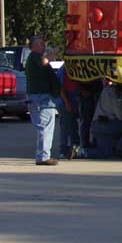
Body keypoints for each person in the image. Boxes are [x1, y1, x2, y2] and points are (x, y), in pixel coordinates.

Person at [24, 35, 61, 165]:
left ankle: (43, 156)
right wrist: (54, 52)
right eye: (40, 44)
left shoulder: (34, 58)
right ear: (33, 46)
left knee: (44, 126)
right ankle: (43, 157)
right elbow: (44, 62)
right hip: (41, 97)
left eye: (43, 43)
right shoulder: (34, 57)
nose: (43, 46)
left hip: (38, 96)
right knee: (46, 126)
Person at [91, 81, 122, 158]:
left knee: (106, 154)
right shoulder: (113, 94)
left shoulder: (105, 90)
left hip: (97, 125)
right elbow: (121, 116)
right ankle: (120, 152)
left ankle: (81, 151)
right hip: (105, 126)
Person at [57, 64, 83, 159]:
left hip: (72, 100)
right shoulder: (65, 70)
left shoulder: (73, 68)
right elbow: (61, 88)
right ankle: (63, 151)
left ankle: (74, 149)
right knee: (66, 127)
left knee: (73, 126)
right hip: (66, 101)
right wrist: (67, 103)